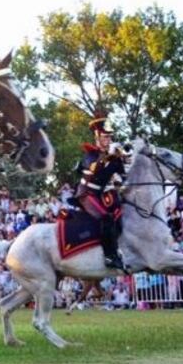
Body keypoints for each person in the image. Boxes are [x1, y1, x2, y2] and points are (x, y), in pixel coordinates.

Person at [74, 114, 129, 271]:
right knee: (105, 217)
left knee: (119, 212)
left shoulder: (114, 156)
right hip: (86, 194)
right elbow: (93, 168)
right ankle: (109, 256)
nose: (108, 140)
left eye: (110, 137)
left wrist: (125, 159)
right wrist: (107, 156)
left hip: (102, 194)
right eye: (105, 137)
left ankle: (118, 248)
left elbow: (124, 175)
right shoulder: (90, 153)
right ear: (97, 137)